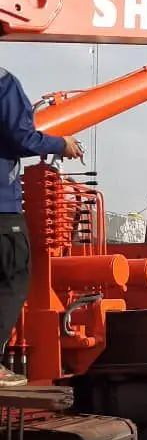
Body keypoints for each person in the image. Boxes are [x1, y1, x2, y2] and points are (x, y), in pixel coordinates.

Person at [0, 69, 84, 385]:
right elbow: (21, 136)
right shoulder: (4, 83)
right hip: (2, 208)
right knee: (15, 274)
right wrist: (61, 144)